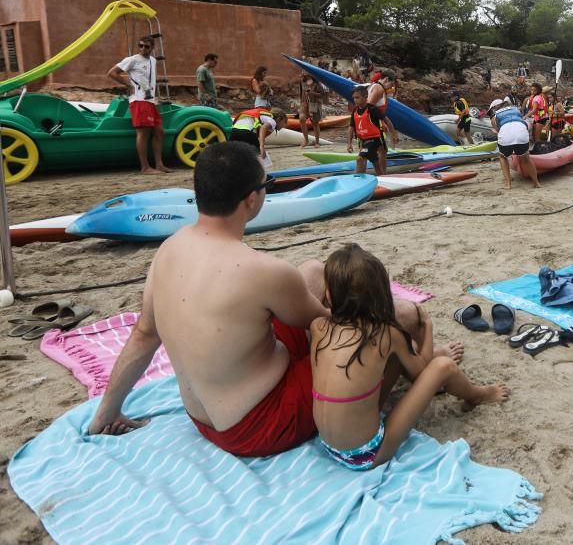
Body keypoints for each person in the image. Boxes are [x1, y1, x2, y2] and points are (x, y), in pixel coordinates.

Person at [84, 142, 392, 455]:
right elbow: (333, 329)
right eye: (266, 185)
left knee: (312, 272)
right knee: (369, 334)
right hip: (260, 424)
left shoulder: (169, 250)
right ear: (252, 199)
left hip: (203, 419)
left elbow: (144, 335)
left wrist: (106, 413)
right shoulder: (263, 270)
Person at [311, 243, 508, 471]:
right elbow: (423, 371)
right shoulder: (386, 334)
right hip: (367, 454)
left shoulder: (319, 327)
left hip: (328, 445)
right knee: (443, 365)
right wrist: (427, 327)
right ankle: (477, 395)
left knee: (394, 358)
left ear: (330, 295)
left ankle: (448, 382)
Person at [107, 35, 172, 175]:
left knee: (159, 132)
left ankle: (159, 164)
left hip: (150, 101)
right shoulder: (132, 60)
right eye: (140, 45)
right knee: (143, 133)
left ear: (152, 48)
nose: (143, 49)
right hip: (138, 100)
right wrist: (128, 85)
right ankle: (145, 167)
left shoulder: (153, 60)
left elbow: (150, 80)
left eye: (146, 46)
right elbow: (112, 73)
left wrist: (155, 98)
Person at [489, 98, 539, 189]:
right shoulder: (517, 110)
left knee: (502, 157)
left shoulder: (494, 116)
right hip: (522, 135)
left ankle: (508, 184)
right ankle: (536, 183)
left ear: (495, 108)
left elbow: (498, 131)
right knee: (526, 158)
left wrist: (494, 131)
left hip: (506, 137)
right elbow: (519, 121)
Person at [367, 70, 399, 174]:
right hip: (374, 124)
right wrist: (384, 121)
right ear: (386, 79)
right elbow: (369, 106)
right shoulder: (379, 88)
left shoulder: (376, 86)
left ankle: (381, 175)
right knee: (382, 151)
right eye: (391, 83)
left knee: (381, 151)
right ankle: (382, 176)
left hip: (374, 123)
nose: (391, 87)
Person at [348, 87, 386, 174]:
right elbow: (351, 127)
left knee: (360, 159)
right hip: (363, 140)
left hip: (374, 140)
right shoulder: (355, 110)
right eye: (353, 98)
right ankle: (382, 178)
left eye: (357, 97)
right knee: (375, 162)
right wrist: (349, 143)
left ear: (365, 97)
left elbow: (386, 119)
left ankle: (358, 181)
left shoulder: (372, 109)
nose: (355, 100)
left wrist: (393, 133)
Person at [298, 73, 325, 148]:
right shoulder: (302, 81)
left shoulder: (316, 82)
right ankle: (306, 140)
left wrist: (312, 93)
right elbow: (301, 92)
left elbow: (322, 94)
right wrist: (301, 101)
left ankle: (317, 142)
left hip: (314, 103)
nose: (303, 72)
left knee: (315, 123)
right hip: (304, 103)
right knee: (301, 119)